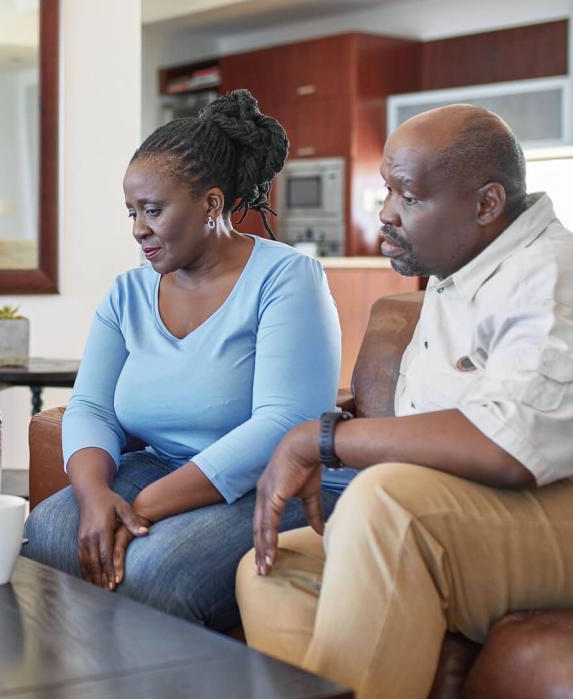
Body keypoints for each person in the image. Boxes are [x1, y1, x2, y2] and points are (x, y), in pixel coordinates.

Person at [237, 104, 573, 698]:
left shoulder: (550, 279)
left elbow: (512, 445)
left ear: (486, 205)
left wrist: (320, 439)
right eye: (388, 190)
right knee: (274, 563)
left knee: (387, 507)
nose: (385, 212)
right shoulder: (460, 267)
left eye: (407, 195)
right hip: (526, 507)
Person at [22, 89, 344, 631]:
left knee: (157, 571)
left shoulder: (286, 278)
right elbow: (92, 408)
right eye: (131, 212)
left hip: (269, 482)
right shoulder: (126, 294)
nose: (137, 229)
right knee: (47, 531)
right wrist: (96, 494)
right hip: (161, 465)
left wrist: (144, 506)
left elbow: (286, 423)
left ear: (211, 204)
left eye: (153, 210)